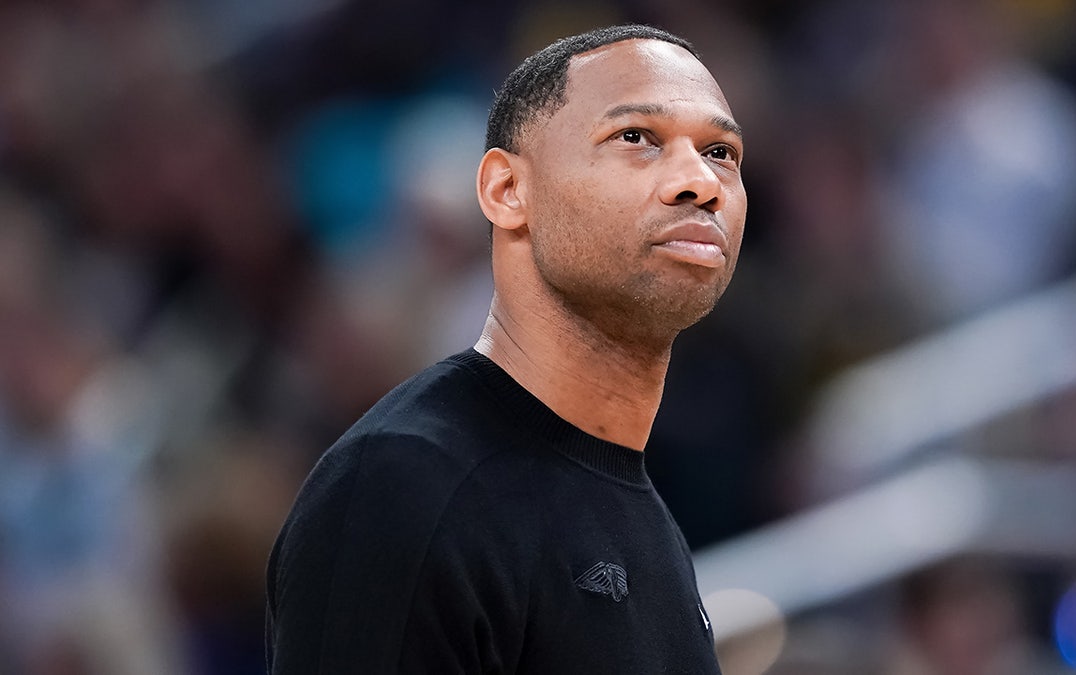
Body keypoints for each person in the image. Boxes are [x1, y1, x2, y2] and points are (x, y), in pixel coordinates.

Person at [266, 23, 747, 674]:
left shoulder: (649, 529)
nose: (699, 182)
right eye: (636, 138)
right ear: (506, 191)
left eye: (721, 152)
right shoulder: (404, 480)